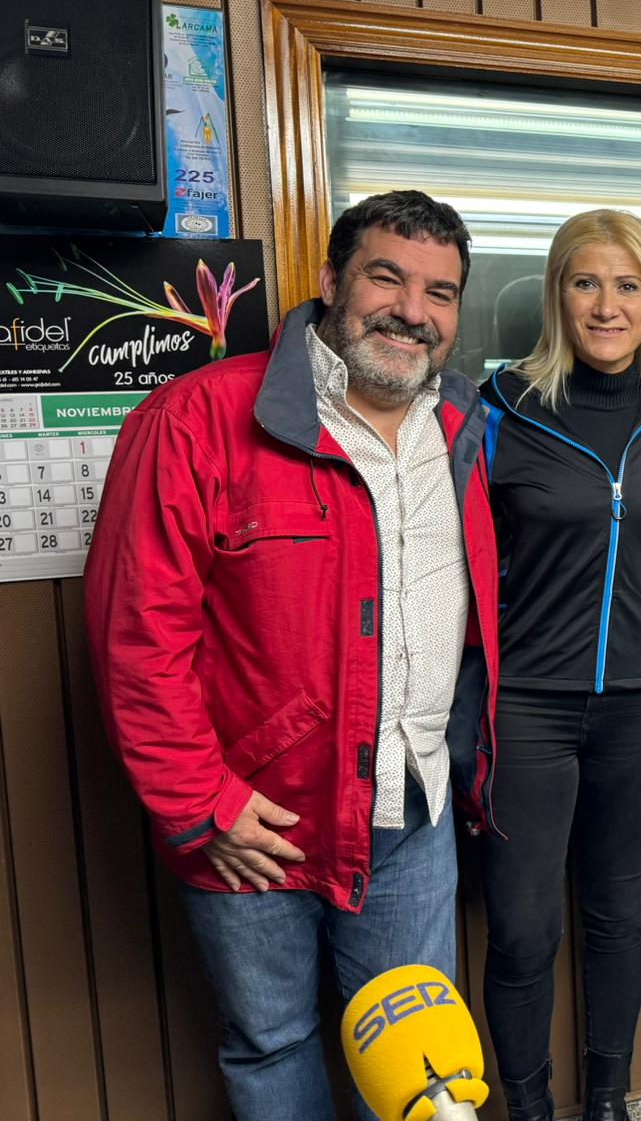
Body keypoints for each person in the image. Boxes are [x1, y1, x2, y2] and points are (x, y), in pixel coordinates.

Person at [83, 190, 500, 1121]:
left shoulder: (456, 429)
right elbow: (136, 639)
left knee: (415, 1066)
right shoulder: (197, 418)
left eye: (441, 292)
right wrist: (202, 806)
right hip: (259, 826)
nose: (412, 310)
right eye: (387, 277)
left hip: (413, 813)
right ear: (329, 283)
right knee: (273, 1049)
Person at [478, 209, 641, 1121]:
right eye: (586, 282)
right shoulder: (498, 412)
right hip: (527, 704)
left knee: (618, 917)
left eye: (628, 284)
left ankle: (608, 1103)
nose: (607, 305)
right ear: (556, 296)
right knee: (523, 929)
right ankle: (530, 1109)